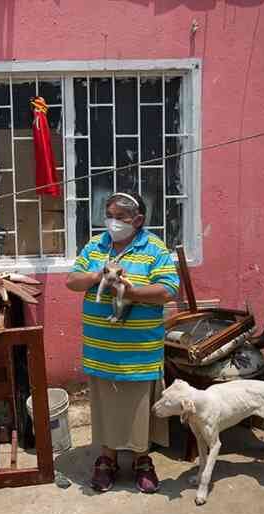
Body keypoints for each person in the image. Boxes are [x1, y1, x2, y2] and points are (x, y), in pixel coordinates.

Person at [65, 192, 180, 493]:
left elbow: (168, 289)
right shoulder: (95, 245)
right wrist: (96, 275)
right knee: (104, 407)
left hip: (139, 352)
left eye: (120, 217)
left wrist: (130, 292)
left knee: (139, 409)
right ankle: (107, 458)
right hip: (101, 350)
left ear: (138, 220)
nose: (113, 222)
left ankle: (142, 460)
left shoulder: (154, 248)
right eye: (109, 214)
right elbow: (72, 281)